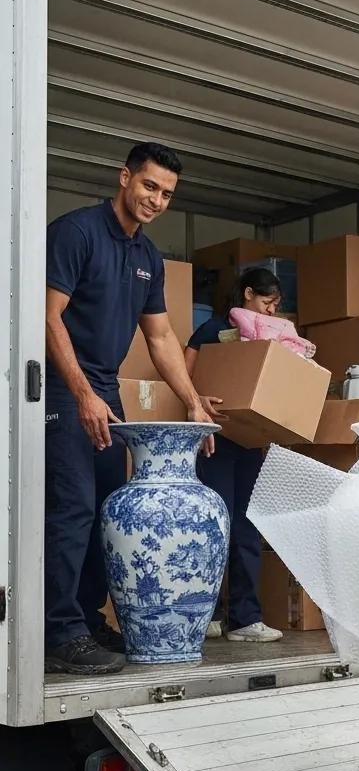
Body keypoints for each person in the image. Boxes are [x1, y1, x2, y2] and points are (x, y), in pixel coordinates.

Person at [44, 142, 216, 675]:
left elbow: (161, 336)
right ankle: (59, 630)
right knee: (72, 509)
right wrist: (81, 394)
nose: (156, 200)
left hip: (104, 391)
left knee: (102, 510)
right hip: (59, 385)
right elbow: (47, 316)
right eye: (149, 186)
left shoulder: (147, 258)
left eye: (166, 193)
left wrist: (193, 404)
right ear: (124, 178)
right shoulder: (76, 233)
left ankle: (89, 618)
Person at [184, 269, 285, 643]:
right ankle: (204, 614)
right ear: (246, 294)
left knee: (246, 527)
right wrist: (197, 400)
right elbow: (183, 373)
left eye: (275, 306)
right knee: (214, 527)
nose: (271, 312)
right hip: (216, 441)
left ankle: (245, 619)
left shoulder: (272, 338)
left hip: (251, 444)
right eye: (266, 303)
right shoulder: (213, 330)